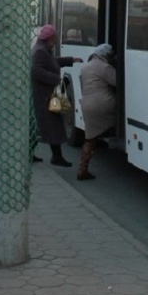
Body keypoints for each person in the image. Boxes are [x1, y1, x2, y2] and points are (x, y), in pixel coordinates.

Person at [31, 24, 82, 167]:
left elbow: (53, 62)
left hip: (48, 94)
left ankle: (54, 156)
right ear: (50, 37)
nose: (56, 39)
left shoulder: (44, 49)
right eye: (54, 36)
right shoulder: (41, 51)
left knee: (50, 126)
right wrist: (56, 79)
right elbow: (36, 71)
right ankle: (56, 157)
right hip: (45, 95)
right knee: (50, 126)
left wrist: (71, 60)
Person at [77, 44, 118, 181]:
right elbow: (117, 82)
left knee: (90, 139)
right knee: (118, 118)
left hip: (86, 105)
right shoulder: (105, 67)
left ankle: (83, 168)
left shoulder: (84, 67)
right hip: (102, 104)